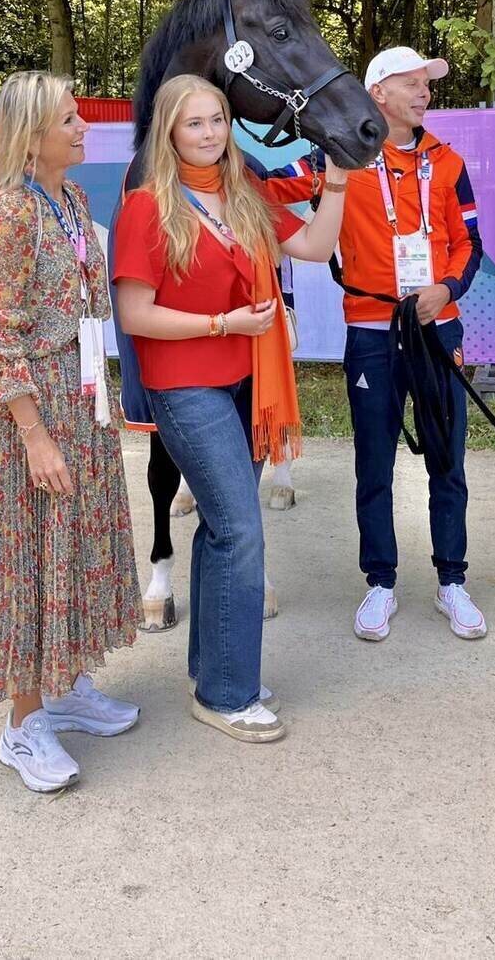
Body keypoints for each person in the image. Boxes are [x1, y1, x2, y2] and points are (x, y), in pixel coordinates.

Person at [112, 74, 348, 743]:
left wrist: (335, 186)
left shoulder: (241, 197)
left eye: (218, 119)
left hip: (244, 381)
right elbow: (134, 313)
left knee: (222, 528)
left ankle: (215, 673)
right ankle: (228, 693)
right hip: (187, 386)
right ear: (170, 131)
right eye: (195, 123)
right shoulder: (147, 207)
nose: (212, 132)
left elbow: (315, 247)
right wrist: (223, 324)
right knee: (242, 527)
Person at [268, 46, 485, 642]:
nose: (425, 93)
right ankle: (381, 584)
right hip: (370, 332)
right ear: (378, 94)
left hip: (438, 330)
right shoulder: (336, 158)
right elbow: (269, 188)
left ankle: (452, 580)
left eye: (428, 85)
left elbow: (471, 243)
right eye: (412, 84)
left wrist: (446, 288)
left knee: (448, 457)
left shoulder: (448, 162)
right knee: (373, 463)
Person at [0, 72, 142, 794]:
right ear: (30, 137)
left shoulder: (71, 200)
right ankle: (22, 723)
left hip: (84, 403)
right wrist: (35, 435)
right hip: (36, 413)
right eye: (68, 120)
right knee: (31, 560)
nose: (83, 127)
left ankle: (64, 685)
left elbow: (88, 308)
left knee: (76, 546)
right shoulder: (9, 214)